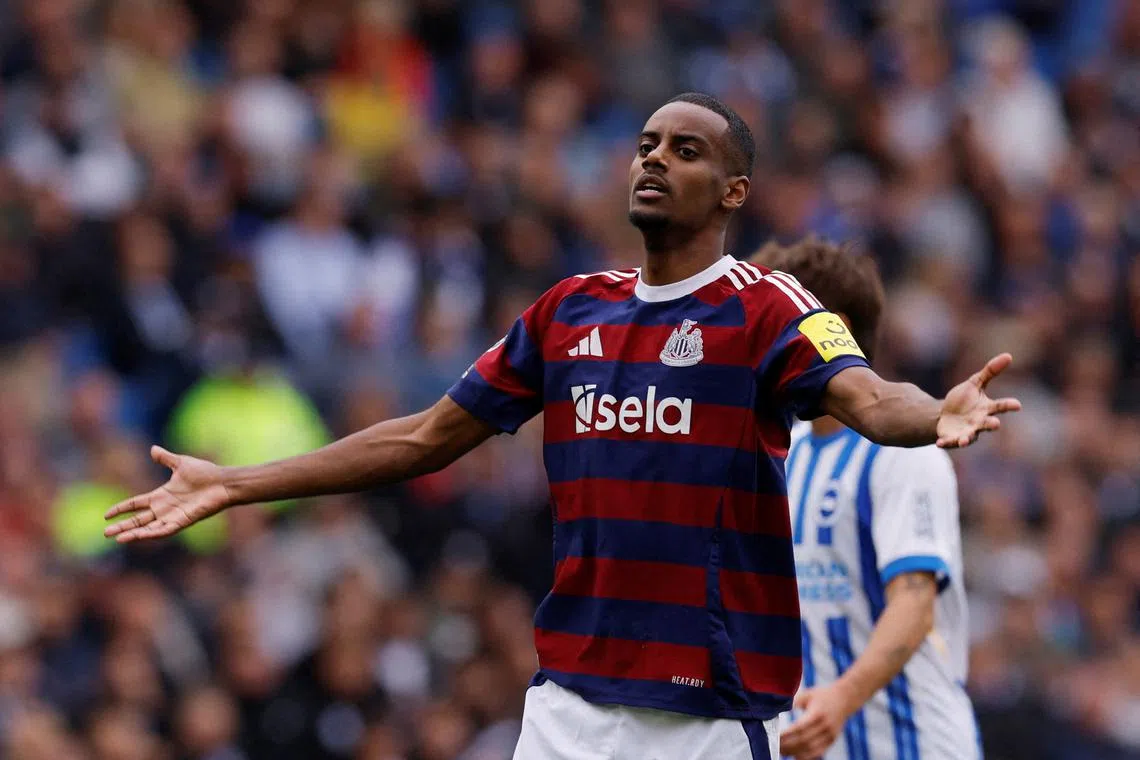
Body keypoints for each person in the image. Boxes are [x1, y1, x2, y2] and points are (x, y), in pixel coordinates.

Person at [104, 93, 1020, 760]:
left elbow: (864, 397)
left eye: (687, 150)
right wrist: (237, 483)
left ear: (735, 192)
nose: (656, 159)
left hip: (706, 719)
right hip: (567, 707)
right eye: (647, 143)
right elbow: (424, 438)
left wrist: (936, 409)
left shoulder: (770, 308)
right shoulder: (569, 311)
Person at [751, 238, 979, 760]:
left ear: (839, 332)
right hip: (819, 743)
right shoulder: (784, 453)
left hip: (913, 743)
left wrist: (841, 698)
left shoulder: (905, 455)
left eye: (786, 324)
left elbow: (915, 602)